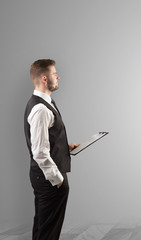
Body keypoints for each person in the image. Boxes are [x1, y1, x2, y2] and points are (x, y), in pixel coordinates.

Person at [24, 59, 79, 240]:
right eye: (55, 74)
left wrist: (64, 147)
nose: (58, 76)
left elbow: (46, 141)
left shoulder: (44, 103)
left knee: (43, 227)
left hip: (45, 177)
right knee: (48, 231)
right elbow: (39, 151)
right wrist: (58, 180)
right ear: (45, 79)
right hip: (50, 180)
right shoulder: (41, 108)